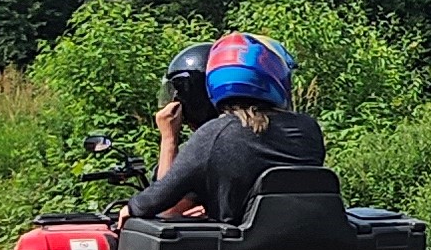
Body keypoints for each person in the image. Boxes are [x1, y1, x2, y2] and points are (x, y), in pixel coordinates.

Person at [129, 34, 327, 223]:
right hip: (307, 242)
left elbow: (165, 209)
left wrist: (169, 139)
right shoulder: (309, 129)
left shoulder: (215, 134)